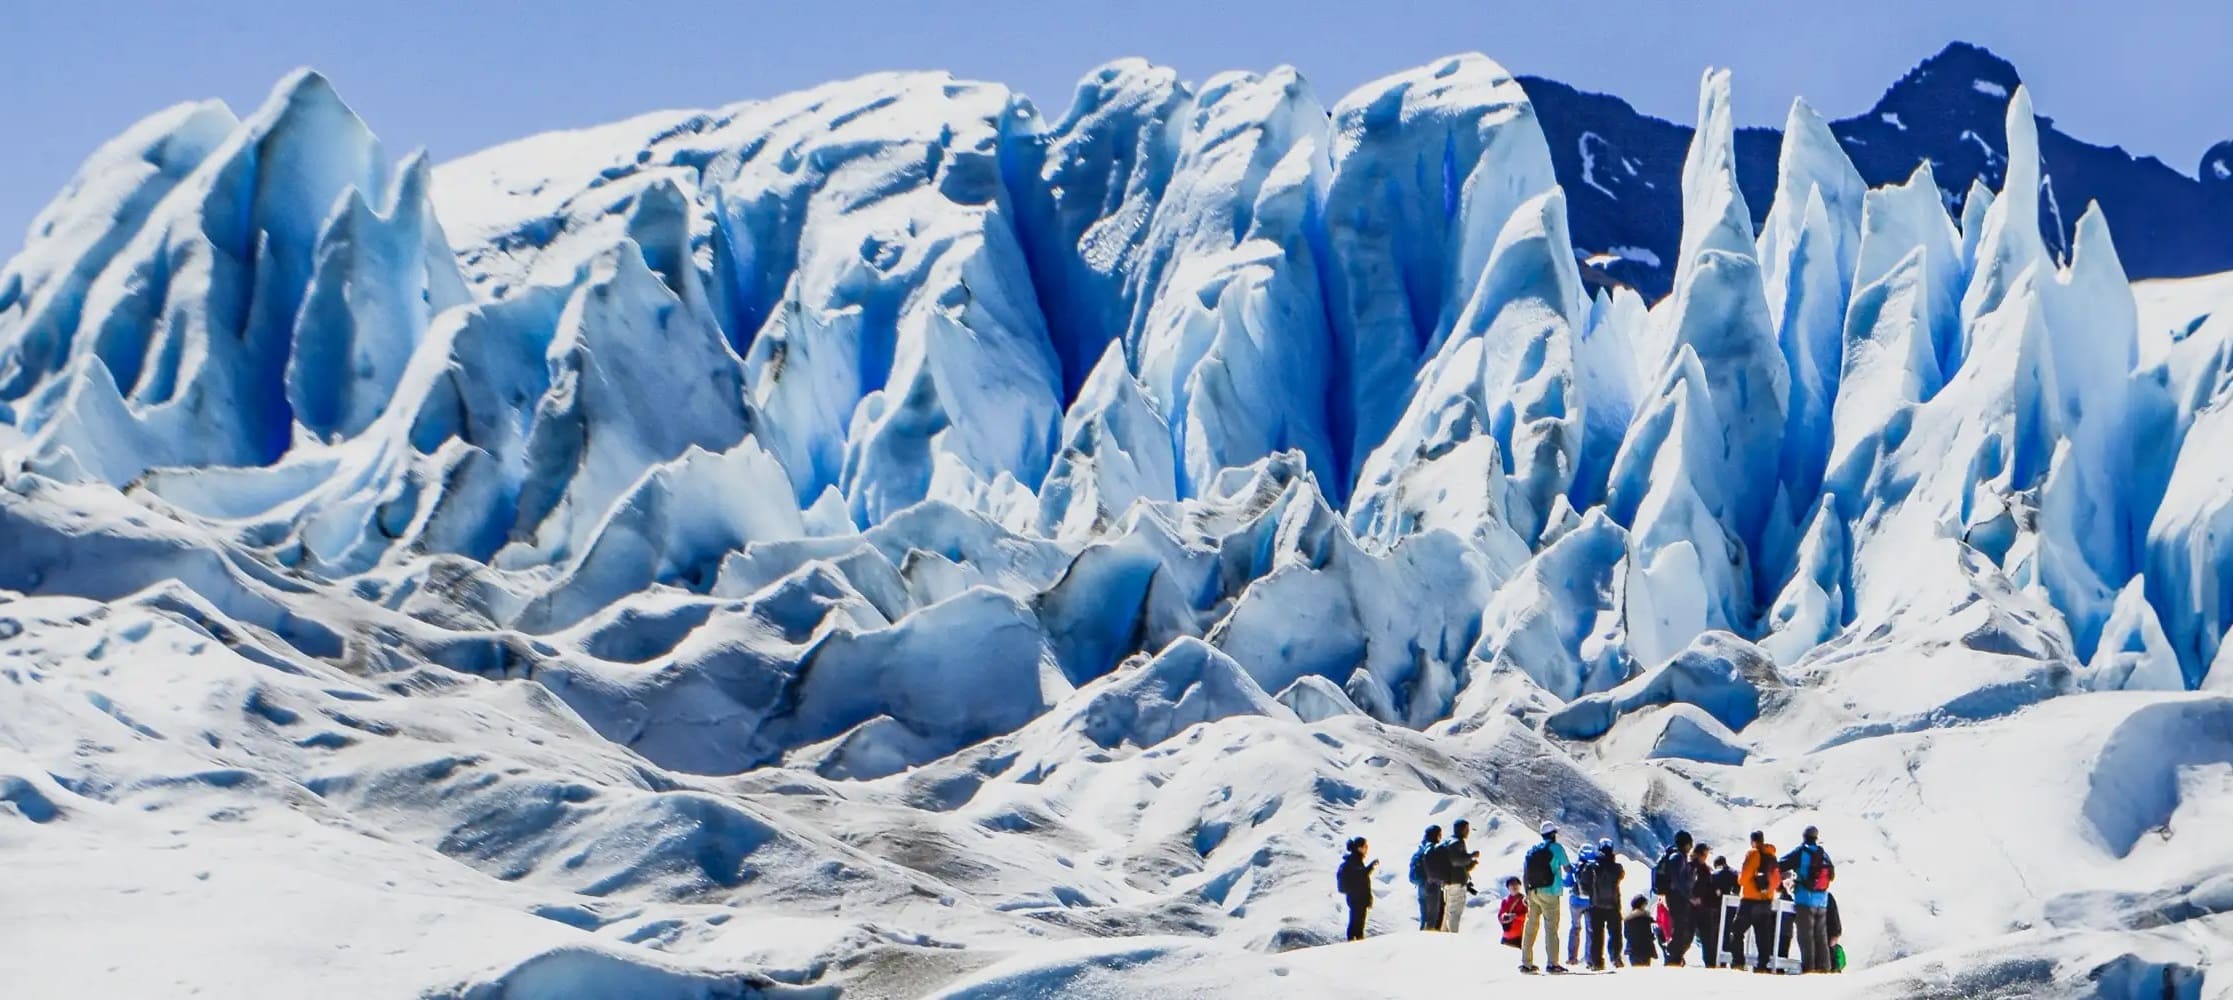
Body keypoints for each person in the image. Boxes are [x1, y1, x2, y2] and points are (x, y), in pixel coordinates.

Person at [1780, 826, 1836, 973]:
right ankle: (1824, 968)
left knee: (1806, 936)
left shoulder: (1801, 852)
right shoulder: (1823, 854)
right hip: (1822, 901)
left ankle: (1809, 969)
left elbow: (1781, 863)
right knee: (1820, 935)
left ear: (1804, 837)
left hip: (1805, 900)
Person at [1518, 822, 1571, 973]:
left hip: (1533, 892)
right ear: (1553, 834)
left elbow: (1526, 872)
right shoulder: (1556, 848)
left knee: (1531, 927)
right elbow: (1567, 867)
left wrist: (1527, 893)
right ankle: (1552, 963)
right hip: (1550, 892)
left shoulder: (1532, 850)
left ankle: (1526, 963)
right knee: (1551, 929)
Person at [1732, 831, 1778, 973]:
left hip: (1749, 901)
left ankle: (1738, 962)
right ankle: (1762, 966)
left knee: (1736, 931)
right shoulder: (1772, 856)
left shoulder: (1752, 854)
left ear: (1752, 841)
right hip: (1766, 902)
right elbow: (1776, 880)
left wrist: (1742, 881)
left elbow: (1743, 878)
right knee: (1763, 935)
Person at [1653, 830, 1697, 965]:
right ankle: (1673, 955)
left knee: (1680, 927)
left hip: (1674, 896)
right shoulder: (1678, 857)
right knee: (1680, 927)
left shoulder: (1676, 856)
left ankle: (1674, 954)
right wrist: (1689, 896)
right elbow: (1678, 880)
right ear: (1687, 844)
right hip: (1677, 897)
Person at [1586, 840, 1624, 971]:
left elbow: (1585, 885)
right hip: (1613, 905)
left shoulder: (1592, 866)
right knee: (1615, 933)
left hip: (1596, 905)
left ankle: (1597, 962)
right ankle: (1616, 957)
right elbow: (1621, 876)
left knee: (1596, 935)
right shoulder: (1617, 867)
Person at [1437, 820, 1479, 933]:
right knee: (1455, 912)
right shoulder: (1457, 842)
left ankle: (1443, 936)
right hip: (1456, 883)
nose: (1468, 831)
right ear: (1462, 829)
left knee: (1448, 911)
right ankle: (1453, 938)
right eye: (1467, 829)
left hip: (1447, 882)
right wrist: (1471, 856)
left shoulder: (1447, 842)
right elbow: (1456, 860)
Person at [1687, 843, 1722, 968]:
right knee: (1707, 937)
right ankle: (1710, 963)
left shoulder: (1689, 866)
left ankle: (1677, 956)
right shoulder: (1700, 868)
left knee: (1689, 934)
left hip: (1694, 906)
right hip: (1703, 906)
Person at [1337, 837, 1376, 941]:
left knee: (1356, 921)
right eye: (1365, 846)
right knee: (1357, 922)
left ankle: (1355, 943)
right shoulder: (1355, 860)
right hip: (1357, 897)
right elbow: (1359, 876)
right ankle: (1355, 945)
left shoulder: (1355, 860)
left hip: (1355, 897)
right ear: (1359, 848)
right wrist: (1370, 868)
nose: (1367, 848)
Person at [1563, 844, 1595, 966]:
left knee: (1575, 928)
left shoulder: (1575, 866)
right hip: (1591, 902)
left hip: (1575, 902)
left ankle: (1572, 958)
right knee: (1590, 930)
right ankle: (1590, 959)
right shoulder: (1594, 866)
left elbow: (1567, 883)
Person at [1409, 825, 1444, 931]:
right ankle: (1427, 943)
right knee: (1431, 919)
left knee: (1424, 917)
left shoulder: (1420, 849)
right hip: (1431, 887)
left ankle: (1421, 940)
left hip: (1421, 886)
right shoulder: (1432, 849)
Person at [1711, 855, 1740, 964]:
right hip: (1732, 906)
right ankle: (1729, 956)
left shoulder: (1716, 874)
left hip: (1717, 906)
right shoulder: (1734, 873)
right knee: (1728, 931)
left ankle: (1718, 958)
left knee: (1717, 932)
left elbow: (1713, 890)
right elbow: (1737, 890)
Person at [1623, 894, 1659, 967]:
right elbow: (1651, 933)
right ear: (1642, 905)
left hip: (1633, 949)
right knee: (1645, 970)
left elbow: (1626, 934)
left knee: (1636, 971)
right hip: (1646, 949)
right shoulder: (1647, 918)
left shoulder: (1628, 919)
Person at [1498, 877, 1528, 949]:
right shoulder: (1505, 901)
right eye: (1512, 884)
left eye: (1516, 884)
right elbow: (1500, 916)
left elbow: (1528, 916)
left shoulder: (1524, 900)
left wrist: (1515, 916)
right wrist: (1504, 917)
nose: (1514, 886)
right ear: (1508, 887)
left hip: (1520, 937)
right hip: (1506, 937)